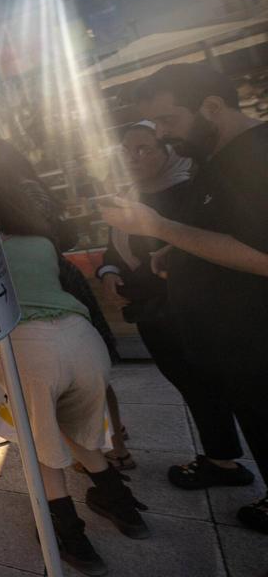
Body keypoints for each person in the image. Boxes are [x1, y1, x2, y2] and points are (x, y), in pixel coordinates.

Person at [0, 181, 150, 576]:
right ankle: (124, 508)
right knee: (77, 431)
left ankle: (71, 538)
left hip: (31, 349)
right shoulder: (41, 241)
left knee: (39, 447)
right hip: (83, 340)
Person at [102, 63, 268, 533]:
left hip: (255, 335)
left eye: (170, 122)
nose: (167, 136)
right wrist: (177, 252)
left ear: (211, 108)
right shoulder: (221, 160)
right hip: (234, 339)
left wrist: (159, 229)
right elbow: (226, 233)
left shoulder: (251, 157)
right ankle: (225, 463)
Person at [0, 137, 133, 468]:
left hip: (55, 278)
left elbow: (46, 232)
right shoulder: (29, 185)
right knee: (87, 375)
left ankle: (108, 444)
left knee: (80, 379)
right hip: (56, 273)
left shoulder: (18, 192)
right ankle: (111, 443)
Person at [98, 125, 220, 475]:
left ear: (167, 151)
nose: (133, 157)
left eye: (144, 148)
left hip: (182, 309)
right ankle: (220, 455)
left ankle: (221, 459)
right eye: (126, 149)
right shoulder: (129, 194)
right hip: (149, 312)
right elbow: (113, 247)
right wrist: (108, 272)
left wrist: (131, 287)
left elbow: (184, 256)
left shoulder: (187, 194)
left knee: (203, 384)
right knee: (186, 381)